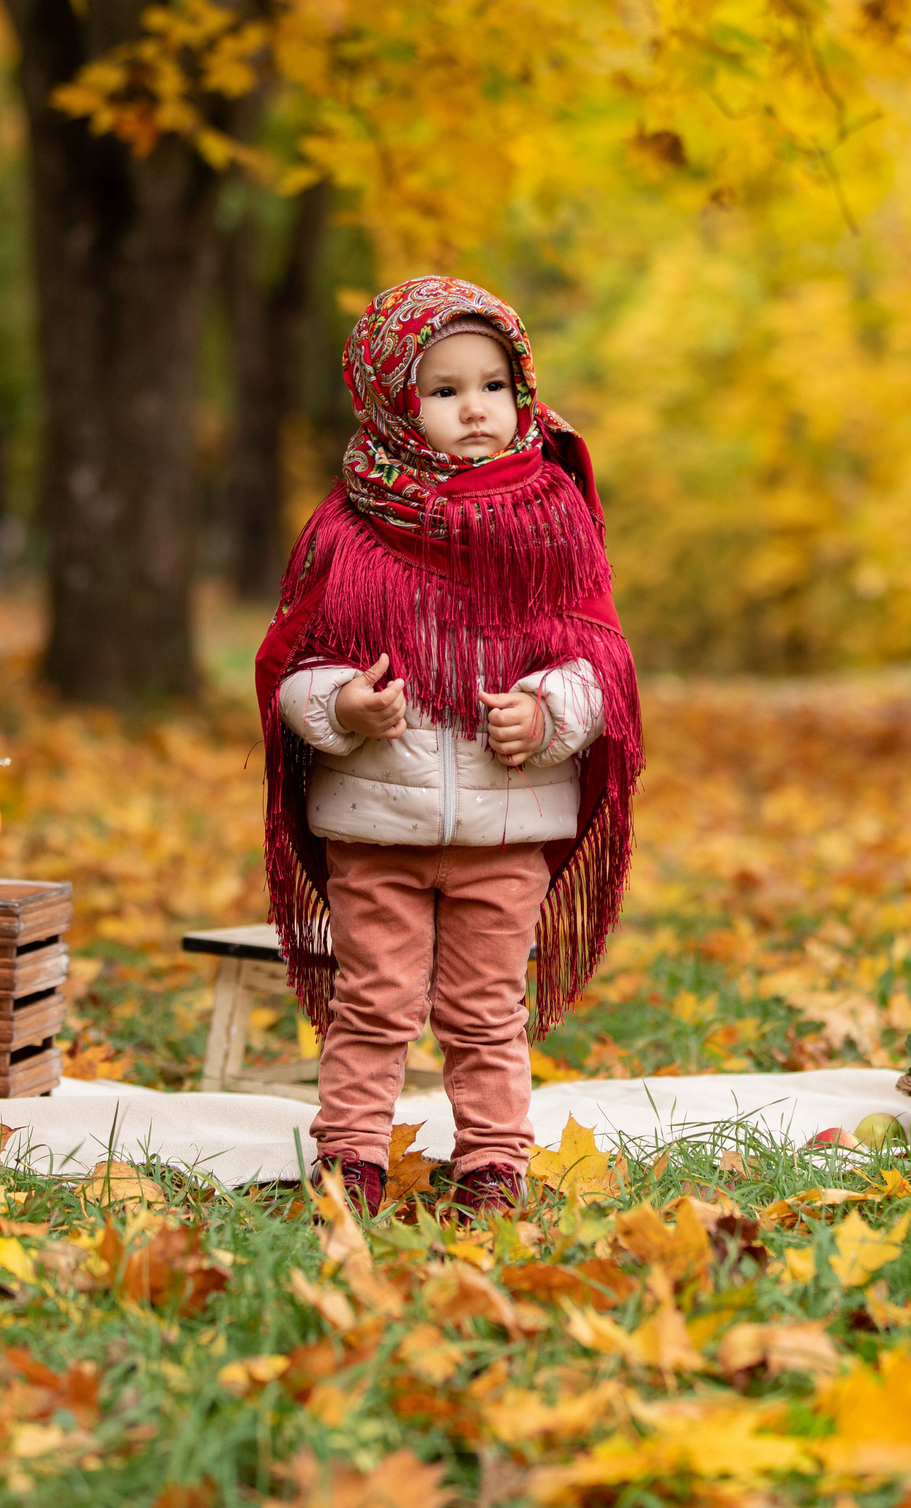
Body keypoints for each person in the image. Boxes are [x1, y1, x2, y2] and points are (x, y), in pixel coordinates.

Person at [257, 275, 642, 1216]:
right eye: (443, 389)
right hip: (375, 824)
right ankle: (350, 1157)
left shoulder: (552, 517)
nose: (476, 407)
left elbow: (597, 654)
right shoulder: (348, 530)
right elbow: (292, 664)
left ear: (521, 390)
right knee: (373, 1003)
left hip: (505, 826)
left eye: (494, 384)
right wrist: (342, 704)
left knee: (483, 1010)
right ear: (393, 401)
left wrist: (550, 714)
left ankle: (493, 1165)